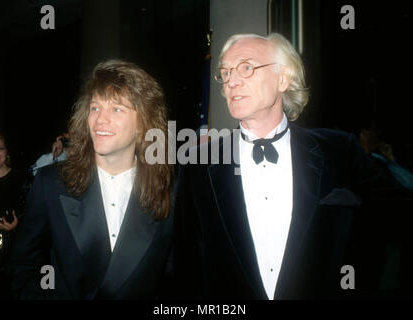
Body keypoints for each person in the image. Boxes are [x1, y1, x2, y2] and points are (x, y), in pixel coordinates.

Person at [173, 33, 412, 299]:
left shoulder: (339, 151)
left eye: (246, 67)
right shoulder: (198, 165)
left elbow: (398, 217)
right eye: (225, 72)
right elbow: (187, 266)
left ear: (283, 79)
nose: (232, 81)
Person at [9, 59, 174, 299]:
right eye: (95, 108)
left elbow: (173, 273)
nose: (100, 120)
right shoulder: (51, 183)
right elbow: (24, 266)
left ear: (143, 123)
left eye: (116, 109)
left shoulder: (169, 188)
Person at [0, 130, 27, 299]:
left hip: (17, 260)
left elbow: (40, 220)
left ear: (6, 152)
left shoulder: (24, 180)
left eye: (0, 148)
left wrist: (17, 226)